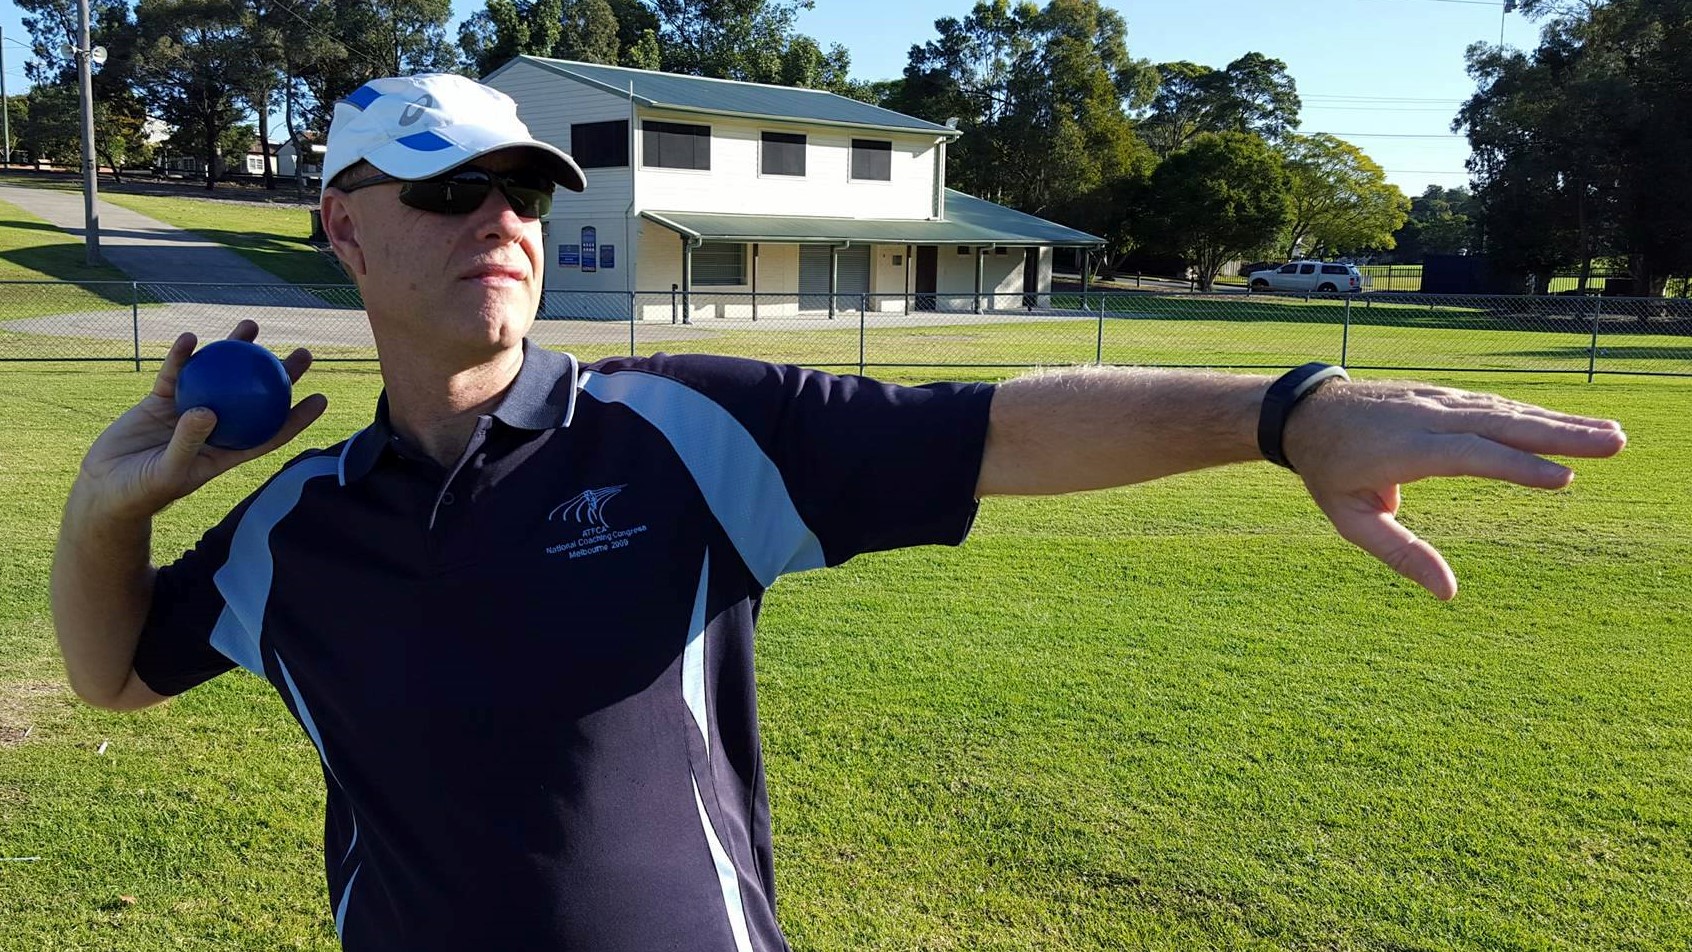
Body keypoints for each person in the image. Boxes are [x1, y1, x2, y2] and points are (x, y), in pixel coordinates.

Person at [50, 73, 1626, 951]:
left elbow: (988, 429)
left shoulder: (676, 430)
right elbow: (114, 671)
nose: (506, 223)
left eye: (523, 192)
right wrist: (105, 510)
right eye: (450, 191)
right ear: (343, 223)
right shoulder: (295, 529)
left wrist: (1282, 414)